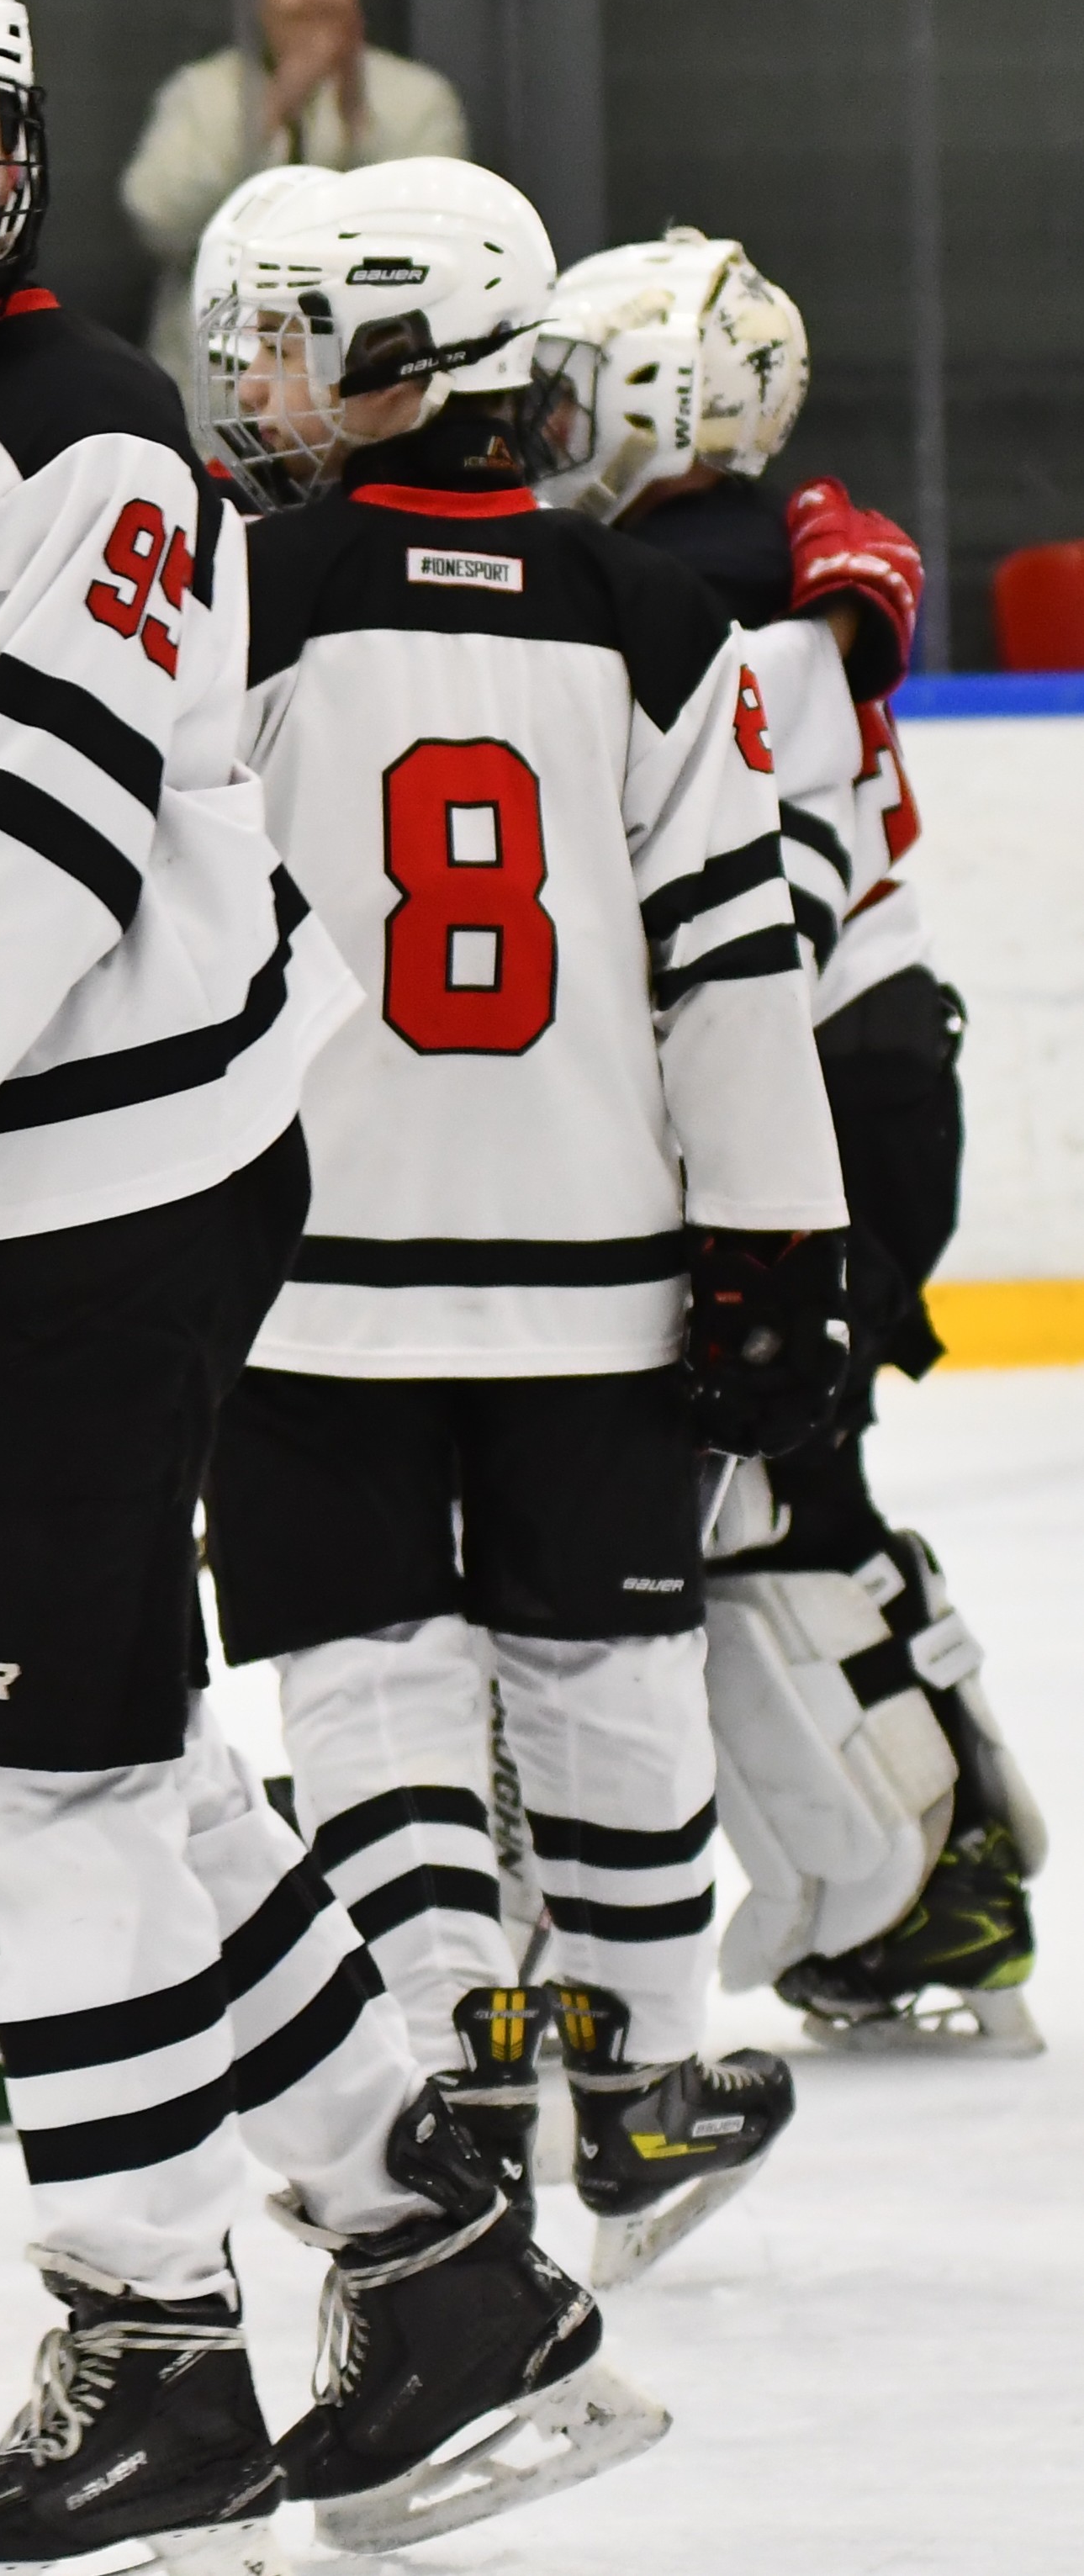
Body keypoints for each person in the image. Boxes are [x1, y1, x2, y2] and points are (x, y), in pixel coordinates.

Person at [0, 0, 653, 2567]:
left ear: (26, 152)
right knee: (129, 1752)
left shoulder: (95, 440)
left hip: (113, 1177)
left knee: (29, 1778)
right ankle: (441, 2270)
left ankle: (153, 2354)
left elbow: (38, 805)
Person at [190, 161, 847, 2295]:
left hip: (304, 1280)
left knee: (365, 1680)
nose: (270, 382)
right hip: (593, 1272)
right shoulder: (651, 617)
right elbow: (730, 964)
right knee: (605, 1673)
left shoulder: (240, 595)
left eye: (304, 344)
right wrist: (773, 1246)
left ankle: (449, 2083)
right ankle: (636, 2084)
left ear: (394, 358)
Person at [531, 232, 1047, 2050]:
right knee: (787, 1495)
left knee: (771, 1499)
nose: (544, 430)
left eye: (576, 396)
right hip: (854, 1079)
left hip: (817, 1090)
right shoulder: (766, 566)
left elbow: (750, 930)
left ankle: (931, 1881)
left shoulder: (727, 593)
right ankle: (938, 1872)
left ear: (672, 402)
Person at [120, 0, 463, 379]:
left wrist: (358, 124)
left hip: (370, 374)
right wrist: (274, 109)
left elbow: (433, 242)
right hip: (223, 378)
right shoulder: (200, 93)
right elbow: (160, 221)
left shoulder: (418, 97)